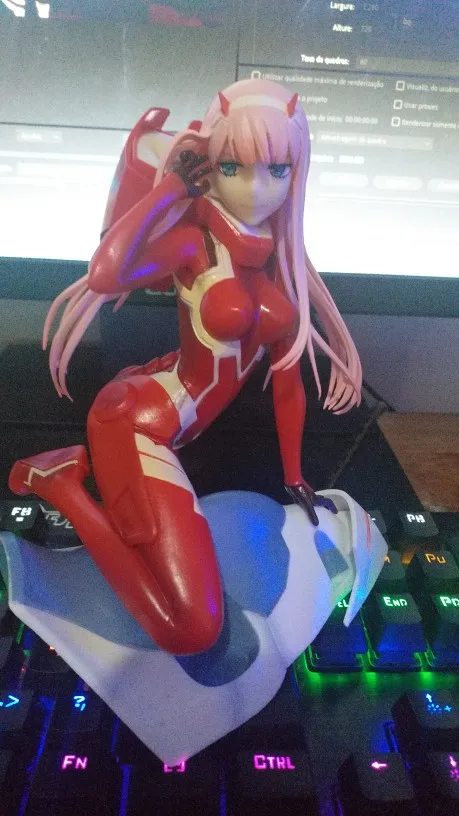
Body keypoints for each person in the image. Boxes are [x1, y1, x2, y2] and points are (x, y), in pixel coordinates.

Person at [9, 78, 362, 655]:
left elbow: (288, 383)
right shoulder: (195, 245)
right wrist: (170, 189)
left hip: (177, 421)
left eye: (277, 169)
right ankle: (60, 483)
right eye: (232, 167)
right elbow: (105, 273)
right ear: (209, 166)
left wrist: (295, 477)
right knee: (192, 629)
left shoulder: (280, 261)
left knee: (194, 611)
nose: (256, 188)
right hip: (140, 422)